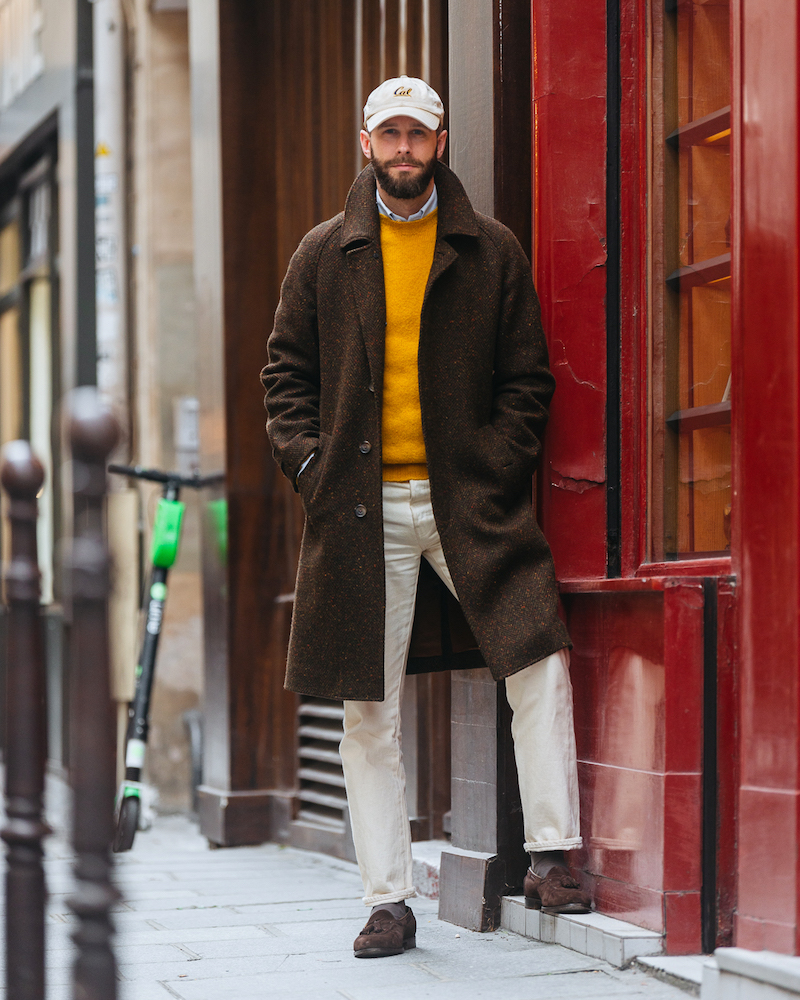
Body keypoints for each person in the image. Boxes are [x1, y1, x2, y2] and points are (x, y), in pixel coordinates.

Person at [261, 75, 591, 960]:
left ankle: (553, 855)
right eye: (390, 134)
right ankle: (388, 901)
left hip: (467, 503)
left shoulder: (491, 251)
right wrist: (312, 467)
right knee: (368, 709)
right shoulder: (322, 255)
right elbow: (283, 378)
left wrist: (491, 466)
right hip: (358, 512)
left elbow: (528, 380)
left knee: (538, 653)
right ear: (365, 143)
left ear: (441, 144)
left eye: (419, 134)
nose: (404, 149)